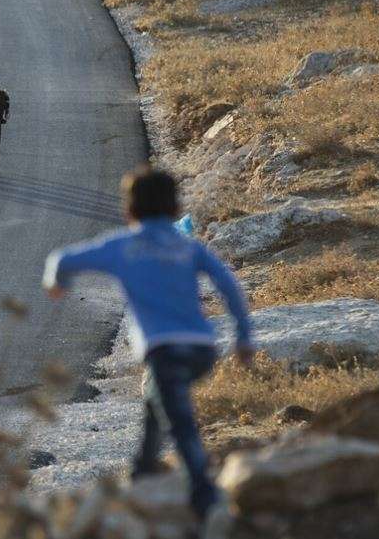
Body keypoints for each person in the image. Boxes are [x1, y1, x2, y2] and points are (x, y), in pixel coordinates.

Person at [42, 166, 254, 522]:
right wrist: (244, 337)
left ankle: (205, 497)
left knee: (180, 421)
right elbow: (229, 287)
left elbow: (61, 259)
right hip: (202, 348)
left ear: (129, 211)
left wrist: (56, 283)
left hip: (164, 349)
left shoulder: (123, 246)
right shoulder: (187, 247)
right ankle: (143, 468)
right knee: (157, 402)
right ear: (174, 209)